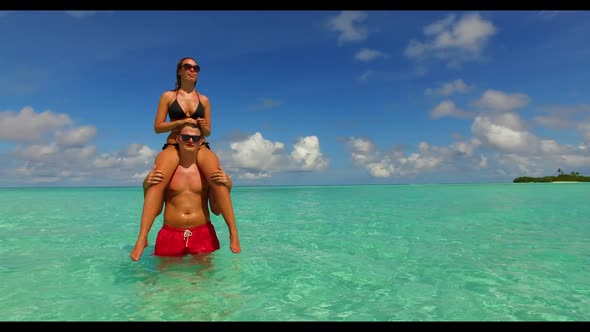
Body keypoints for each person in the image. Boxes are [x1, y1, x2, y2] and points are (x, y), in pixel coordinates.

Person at [137, 56, 238, 259]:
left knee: (217, 177)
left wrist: (201, 126)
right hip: (175, 143)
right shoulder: (168, 96)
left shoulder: (205, 100)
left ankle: (233, 233)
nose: (192, 70)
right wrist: (180, 122)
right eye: (188, 67)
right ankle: (142, 238)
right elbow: (157, 127)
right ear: (180, 71)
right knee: (157, 179)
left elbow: (208, 132)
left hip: (199, 144)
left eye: (196, 67)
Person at [130, 123, 241, 261]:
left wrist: (228, 186)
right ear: (177, 139)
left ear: (201, 141)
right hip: (170, 234)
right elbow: (157, 210)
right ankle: (142, 238)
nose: (190, 141)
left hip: (203, 233)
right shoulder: (167, 172)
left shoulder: (206, 174)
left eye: (195, 138)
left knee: (204, 281)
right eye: (186, 137)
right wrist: (145, 186)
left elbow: (216, 210)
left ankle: (233, 233)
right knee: (166, 281)